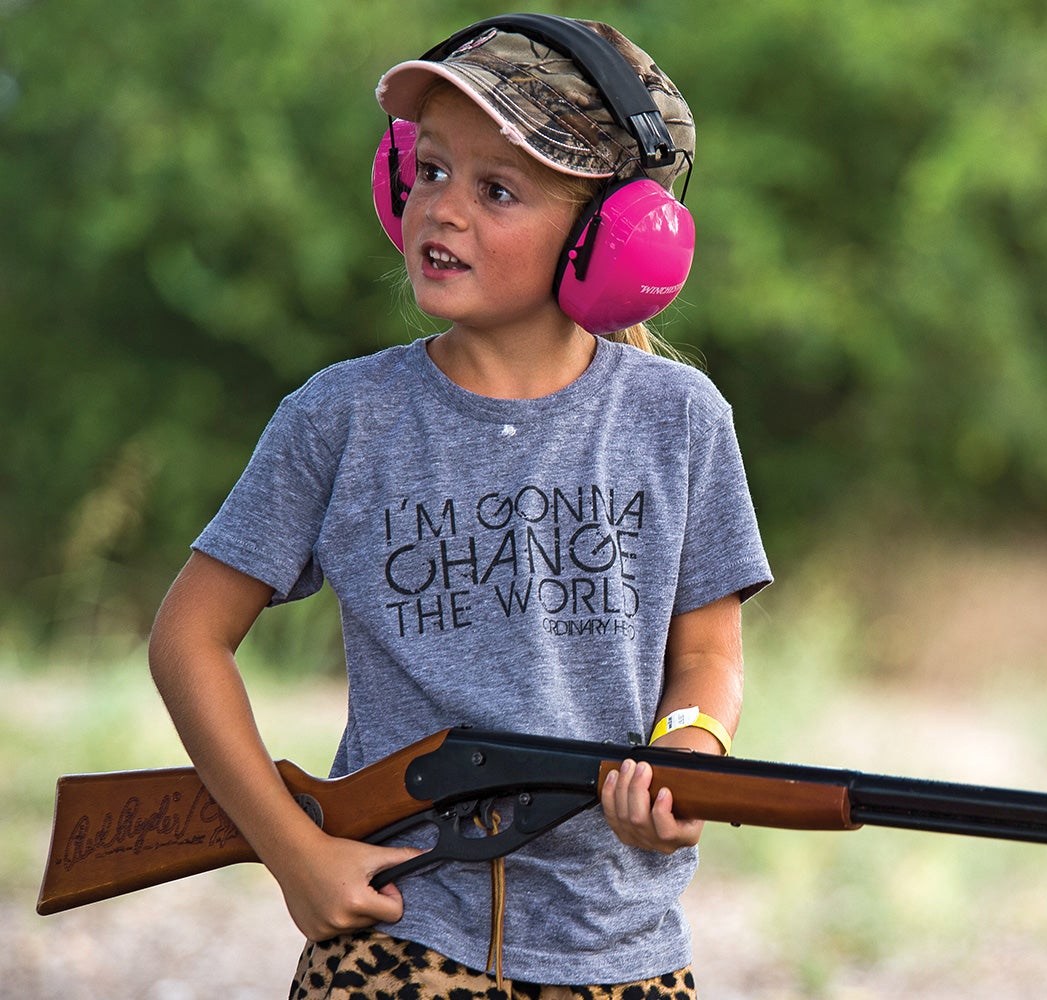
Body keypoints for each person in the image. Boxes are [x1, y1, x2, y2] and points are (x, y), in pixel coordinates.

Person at [146, 14, 771, 999]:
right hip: (399, 943)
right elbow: (187, 638)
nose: (443, 210)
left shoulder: (678, 420)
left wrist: (685, 752)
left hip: (622, 945)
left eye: (497, 190)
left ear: (606, 240)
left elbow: (706, 657)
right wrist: (292, 853)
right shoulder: (342, 417)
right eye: (429, 172)